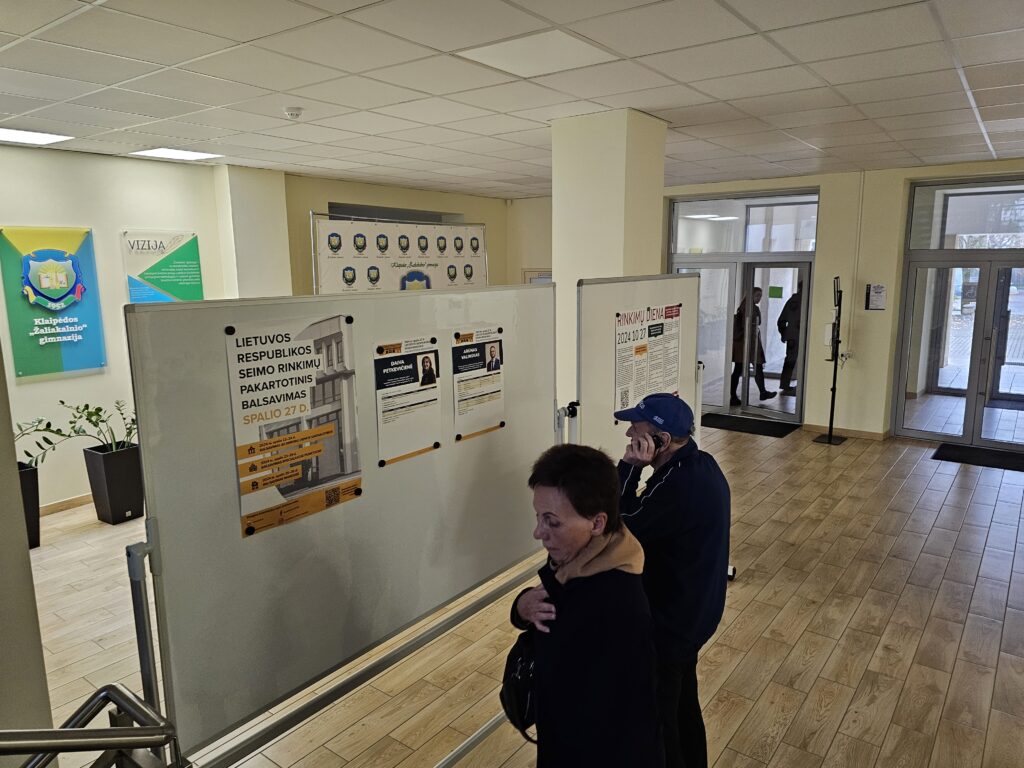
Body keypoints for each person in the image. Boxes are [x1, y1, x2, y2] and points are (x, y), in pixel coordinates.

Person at [511, 444, 663, 768]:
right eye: (538, 517)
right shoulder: (580, 558)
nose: (538, 532)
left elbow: (629, 724)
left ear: (597, 523)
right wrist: (521, 607)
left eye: (552, 522)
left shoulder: (617, 607)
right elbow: (543, 611)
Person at [613, 393, 730, 768]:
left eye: (635, 429)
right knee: (682, 706)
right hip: (695, 612)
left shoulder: (678, 486)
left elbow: (619, 528)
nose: (628, 434)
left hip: (671, 624)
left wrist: (629, 467)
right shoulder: (702, 465)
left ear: (661, 441)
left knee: (661, 721)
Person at [730, 287, 775, 405]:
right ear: (751, 296)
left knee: (743, 369)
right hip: (746, 343)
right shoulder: (749, 308)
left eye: (760, 296)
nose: (759, 298)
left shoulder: (745, 307)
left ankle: (760, 392)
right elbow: (752, 324)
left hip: (747, 342)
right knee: (743, 368)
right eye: (757, 295)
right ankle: (734, 396)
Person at [777, 284, 801, 396]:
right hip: (801, 336)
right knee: (805, 361)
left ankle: (784, 384)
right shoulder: (808, 301)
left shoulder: (792, 301)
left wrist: (785, 334)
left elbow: (781, 321)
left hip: (792, 337)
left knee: (789, 361)